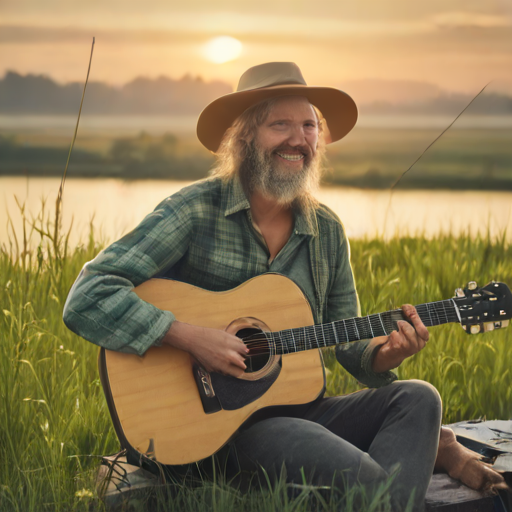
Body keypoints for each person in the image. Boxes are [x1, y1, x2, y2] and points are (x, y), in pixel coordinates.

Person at [63, 62, 479, 511]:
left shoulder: (326, 231)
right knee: (368, 480)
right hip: (216, 429)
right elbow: (89, 294)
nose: (298, 139)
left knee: (418, 397)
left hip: (302, 410)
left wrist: (387, 353)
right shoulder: (194, 211)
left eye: (308, 125)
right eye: (280, 124)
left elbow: (347, 339)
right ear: (245, 137)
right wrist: (191, 337)